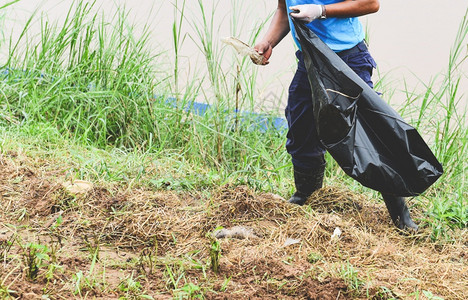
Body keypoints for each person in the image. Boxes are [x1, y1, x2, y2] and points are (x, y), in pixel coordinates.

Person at [253, 0, 418, 231]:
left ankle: (402, 218)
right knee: (301, 129)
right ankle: (307, 198)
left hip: (348, 59)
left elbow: (371, 3)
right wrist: (267, 42)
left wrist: (322, 11)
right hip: (310, 59)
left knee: (369, 136)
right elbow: (283, 10)